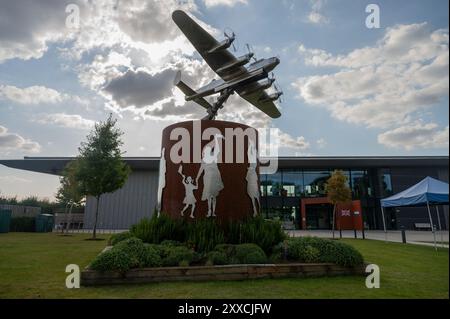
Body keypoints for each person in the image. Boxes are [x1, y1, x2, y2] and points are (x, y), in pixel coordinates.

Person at [196, 134, 224, 217]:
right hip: (207, 177)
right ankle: (209, 211)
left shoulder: (214, 156)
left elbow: (218, 150)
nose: (207, 150)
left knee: (214, 195)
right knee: (209, 195)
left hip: (215, 177)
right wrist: (197, 178)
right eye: (206, 150)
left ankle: (214, 212)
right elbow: (201, 169)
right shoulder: (204, 160)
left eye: (209, 149)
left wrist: (216, 139)